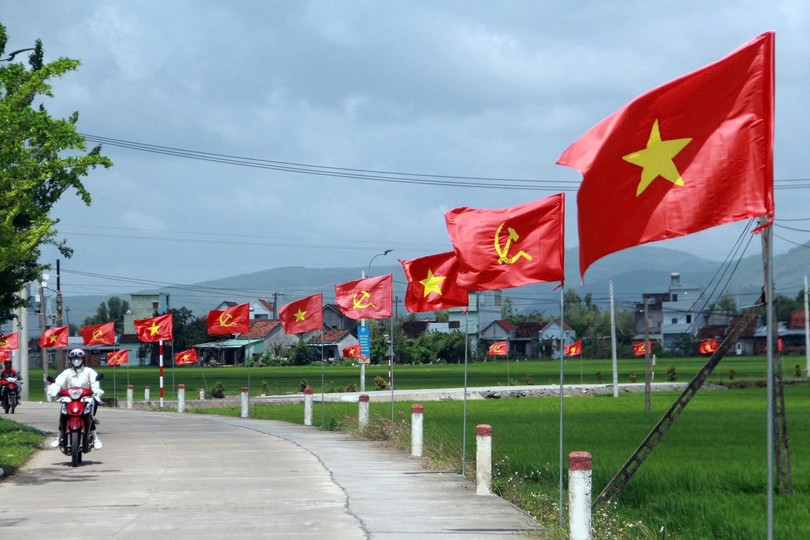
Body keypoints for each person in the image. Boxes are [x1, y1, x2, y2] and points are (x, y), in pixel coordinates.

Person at [47, 348, 104, 449]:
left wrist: (96, 390)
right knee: (63, 415)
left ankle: (95, 438)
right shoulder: (67, 372)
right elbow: (59, 382)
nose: (76, 360)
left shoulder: (89, 371)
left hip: (85, 398)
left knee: (89, 416)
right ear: (70, 360)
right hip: (69, 399)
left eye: (78, 358)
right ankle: (58, 438)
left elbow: (95, 382)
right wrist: (53, 390)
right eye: (74, 358)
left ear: (83, 359)